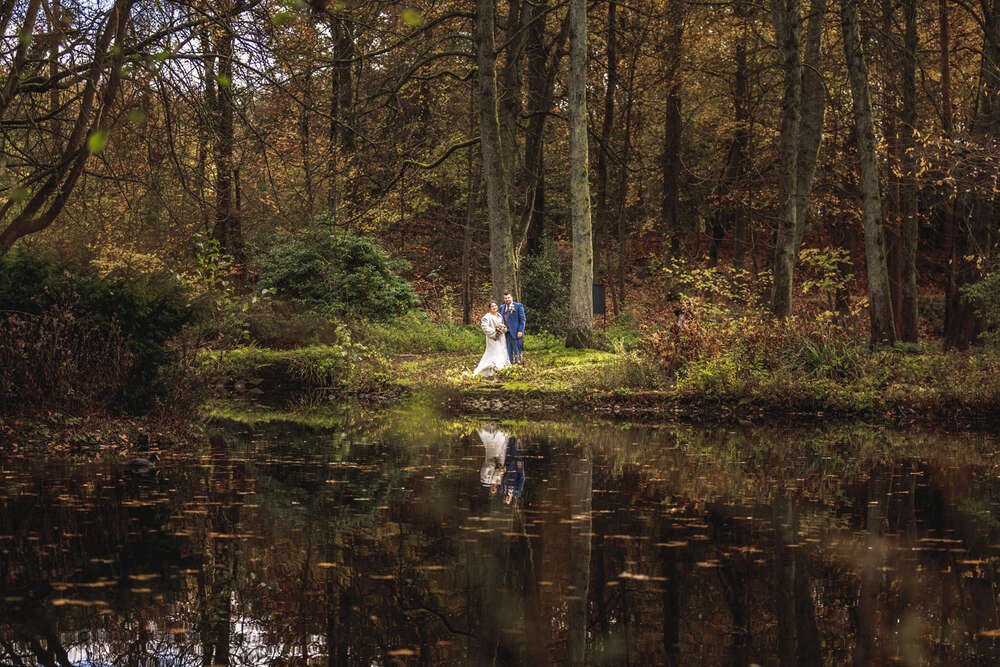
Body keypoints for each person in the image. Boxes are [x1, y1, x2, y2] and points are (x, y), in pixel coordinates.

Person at [473, 300, 511, 377]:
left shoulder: (499, 315)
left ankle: (502, 369)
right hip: (492, 339)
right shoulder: (487, 317)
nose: (494, 307)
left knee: (502, 351)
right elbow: (485, 327)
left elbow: (502, 325)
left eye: (495, 306)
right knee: (494, 353)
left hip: (501, 338)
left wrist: (503, 330)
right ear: (490, 308)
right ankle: (491, 369)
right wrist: (495, 333)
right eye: (492, 306)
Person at [478, 424, 507, 495]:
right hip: (499, 457)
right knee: (501, 443)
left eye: (492, 489)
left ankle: (492, 429)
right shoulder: (499, 481)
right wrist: (501, 469)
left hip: (491, 456)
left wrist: (494, 467)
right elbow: (501, 471)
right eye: (495, 489)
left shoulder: (486, 480)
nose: (494, 488)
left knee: (492, 443)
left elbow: (486, 467)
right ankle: (501, 429)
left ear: (490, 488)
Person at [499, 291, 525, 365]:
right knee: (508, 350)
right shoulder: (502, 307)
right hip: (506, 333)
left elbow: (522, 319)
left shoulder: (518, 306)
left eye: (508, 297)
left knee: (517, 350)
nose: (507, 299)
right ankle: (510, 365)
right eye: (505, 298)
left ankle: (519, 365)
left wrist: (520, 330)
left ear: (512, 298)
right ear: (504, 299)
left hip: (516, 332)